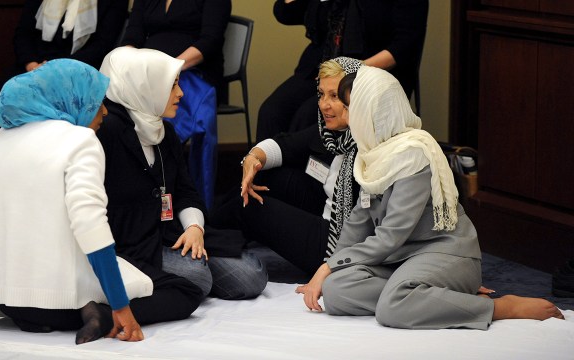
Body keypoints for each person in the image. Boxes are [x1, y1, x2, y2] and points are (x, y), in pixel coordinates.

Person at [296, 65, 564, 329]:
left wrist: (329, 267)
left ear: (375, 111)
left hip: (443, 253)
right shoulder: (372, 155)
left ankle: (499, 307)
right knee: (336, 291)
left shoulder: (413, 153)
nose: (350, 116)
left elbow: (391, 235)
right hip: (400, 259)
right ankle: (436, 299)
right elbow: (357, 224)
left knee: (393, 308)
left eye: (354, 108)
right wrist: (328, 269)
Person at [0, 59, 148, 344]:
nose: (104, 110)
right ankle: (96, 314)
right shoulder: (81, 139)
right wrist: (120, 306)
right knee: (181, 288)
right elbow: (89, 222)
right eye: (97, 100)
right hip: (59, 304)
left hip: (5, 303)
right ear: (72, 98)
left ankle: (36, 319)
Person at [96, 47, 267, 301]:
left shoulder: (164, 131)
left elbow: (186, 191)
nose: (181, 94)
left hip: (172, 233)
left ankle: (183, 278)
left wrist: (195, 229)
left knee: (252, 275)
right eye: (172, 86)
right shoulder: (106, 131)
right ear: (146, 87)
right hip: (132, 245)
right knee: (198, 276)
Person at [210, 57, 362, 276]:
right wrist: (253, 159)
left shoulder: (370, 140)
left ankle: (201, 236)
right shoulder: (334, 131)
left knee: (249, 208)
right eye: (321, 94)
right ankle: (203, 230)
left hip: (336, 243)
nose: (323, 104)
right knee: (266, 176)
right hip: (325, 210)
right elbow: (286, 144)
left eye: (335, 96)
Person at [256, 0, 429, 142]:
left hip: (369, 74)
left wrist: (349, 70)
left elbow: (405, 46)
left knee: (308, 116)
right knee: (271, 112)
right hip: (323, 68)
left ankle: (296, 181)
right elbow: (286, 13)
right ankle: (263, 179)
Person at [121, 0, 232, 207]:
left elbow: (210, 40)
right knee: (120, 110)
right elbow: (133, 34)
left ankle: (177, 201)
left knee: (166, 120)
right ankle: (136, 199)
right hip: (150, 73)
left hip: (193, 72)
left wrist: (170, 69)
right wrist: (127, 63)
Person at [14, 0, 129, 72]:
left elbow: (102, 45)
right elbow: (24, 33)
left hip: (78, 69)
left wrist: (55, 68)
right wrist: (31, 64)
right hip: (34, 65)